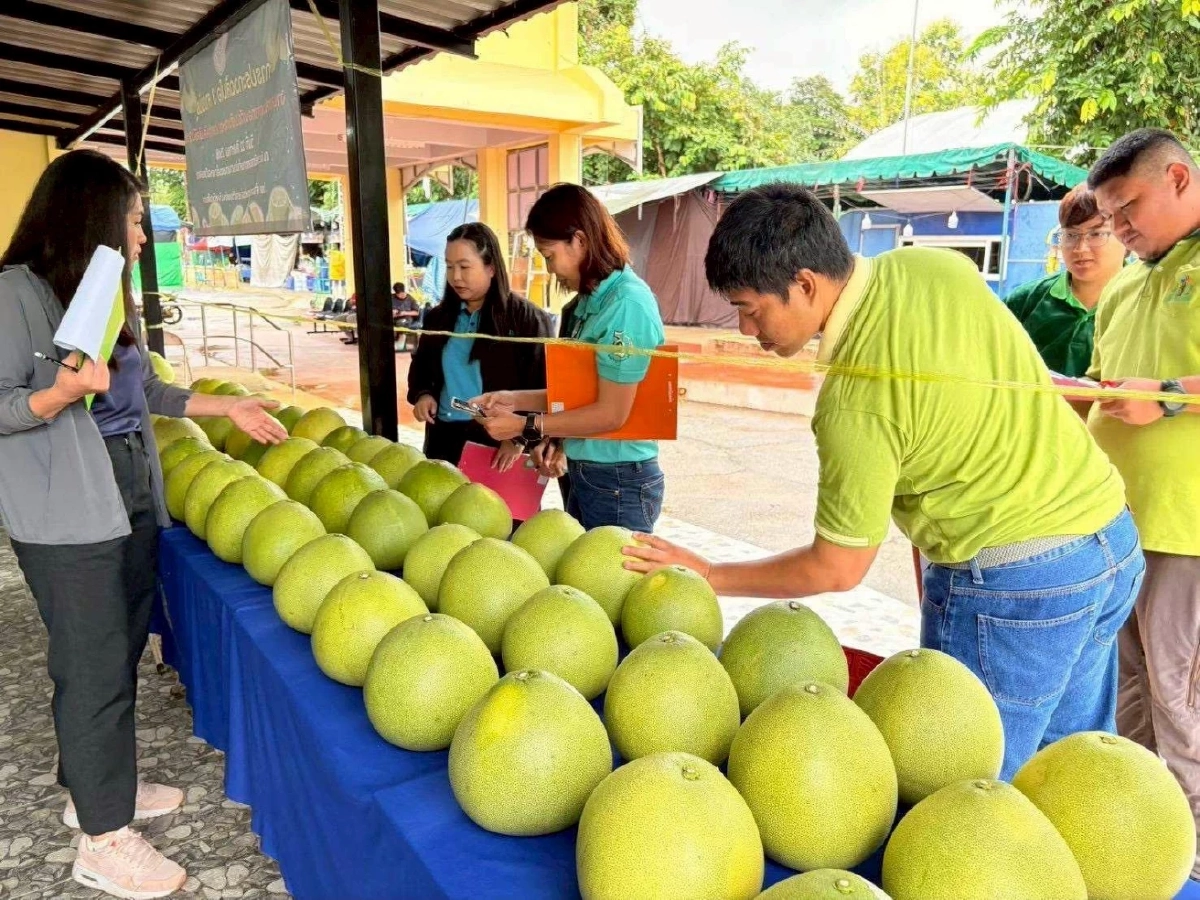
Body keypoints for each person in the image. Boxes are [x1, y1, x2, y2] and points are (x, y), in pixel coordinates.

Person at [623, 182, 1141, 780]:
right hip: (1109, 541)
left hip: (1017, 584)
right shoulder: (932, 265)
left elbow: (838, 567)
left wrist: (712, 574)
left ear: (806, 285)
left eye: (750, 308)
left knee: (964, 792)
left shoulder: (854, 406)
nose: (746, 331)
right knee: (1069, 771)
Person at [0, 149, 288, 900]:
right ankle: (102, 840)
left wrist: (232, 407)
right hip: (67, 508)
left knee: (120, 643)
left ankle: (92, 789)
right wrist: (58, 396)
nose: (141, 236)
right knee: (90, 663)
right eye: (133, 220)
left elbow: (149, 391)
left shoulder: (104, 296)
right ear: (90, 217)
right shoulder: (14, 295)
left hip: (129, 487)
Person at [1082, 128, 1200, 876]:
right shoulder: (1126, 282)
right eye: (1108, 216)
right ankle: (1134, 821)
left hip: (1185, 526)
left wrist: (1165, 400)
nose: (1118, 229)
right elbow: (1104, 383)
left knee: (1176, 685)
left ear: (1180, 179)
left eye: (1128, 210)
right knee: (1126, 679)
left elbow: (1155, 395)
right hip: (1115, 521)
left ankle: (1190, 841)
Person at [474, 183, 668, 532]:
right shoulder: (586, 305)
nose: (549, 269)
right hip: (588, 473)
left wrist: (525, 426)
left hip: (618, 481)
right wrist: (515, 400)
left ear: (579, 240)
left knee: (610, 584)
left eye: (549, 255)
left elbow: (611, 413)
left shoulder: (626, 305)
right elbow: (580, 397)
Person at [406, 222, 550, 469]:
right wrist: (424, 395)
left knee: (490, 508)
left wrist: (518, 438)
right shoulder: (438, 318)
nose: (456, 277)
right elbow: (421, 370)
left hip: (497, 442)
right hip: (443, 438)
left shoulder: (526, 319)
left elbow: (542, 387)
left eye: (464, 267)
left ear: (491, 267)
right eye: (450, 267)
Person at [1005, 183, 1127, 377]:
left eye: (1096, 233)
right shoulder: (1026, 300)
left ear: (1125, 233)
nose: (1080, 248)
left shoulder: (1145, 301)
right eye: (1070, 235)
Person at [392, 281, 421, 352]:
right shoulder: (392, 298)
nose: (402, 296)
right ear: (396, 293)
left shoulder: (410, 299)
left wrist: (404, 313)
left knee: (401, 323)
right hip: (394, 317)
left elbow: (416, 312)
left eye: (402, 293)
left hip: (406, 318)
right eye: (399, 294)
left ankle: (400, 342)